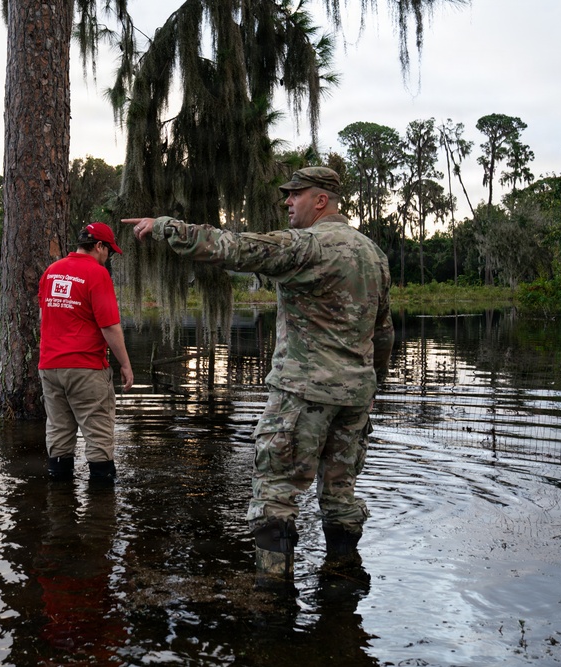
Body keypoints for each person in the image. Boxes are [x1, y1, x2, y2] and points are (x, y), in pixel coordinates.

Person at [123, 166, 394, 579]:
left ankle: (274, 596)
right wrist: (372, 384)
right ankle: (342, 583)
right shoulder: (373, 254)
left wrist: (166, 227)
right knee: (341, 496)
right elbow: (383, 331)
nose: (287, 202)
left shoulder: (307, 246)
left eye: (296, 194)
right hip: (355, 399)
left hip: (302, 394)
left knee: (274, 495)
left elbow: (233, 247)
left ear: (321, 200)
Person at [38, 221, 134, 485]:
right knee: (99, 437)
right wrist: (125, 364)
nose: (108, 257)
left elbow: (44, 316)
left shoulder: (51, 271)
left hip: (50, 367)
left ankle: (59, 501)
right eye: (109, 251)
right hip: (86, 368)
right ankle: (101, 505)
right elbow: (109, 326)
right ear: (99, 246)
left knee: (58, 435)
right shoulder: (97, 273)